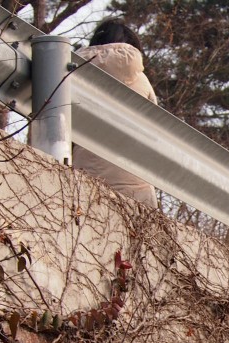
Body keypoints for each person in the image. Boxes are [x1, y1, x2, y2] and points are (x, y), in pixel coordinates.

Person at [73, 19, 159, 208]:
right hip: (136, 179)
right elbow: (154, 134)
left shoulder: (74, 72)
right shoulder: (142, 81)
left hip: (83, 175)